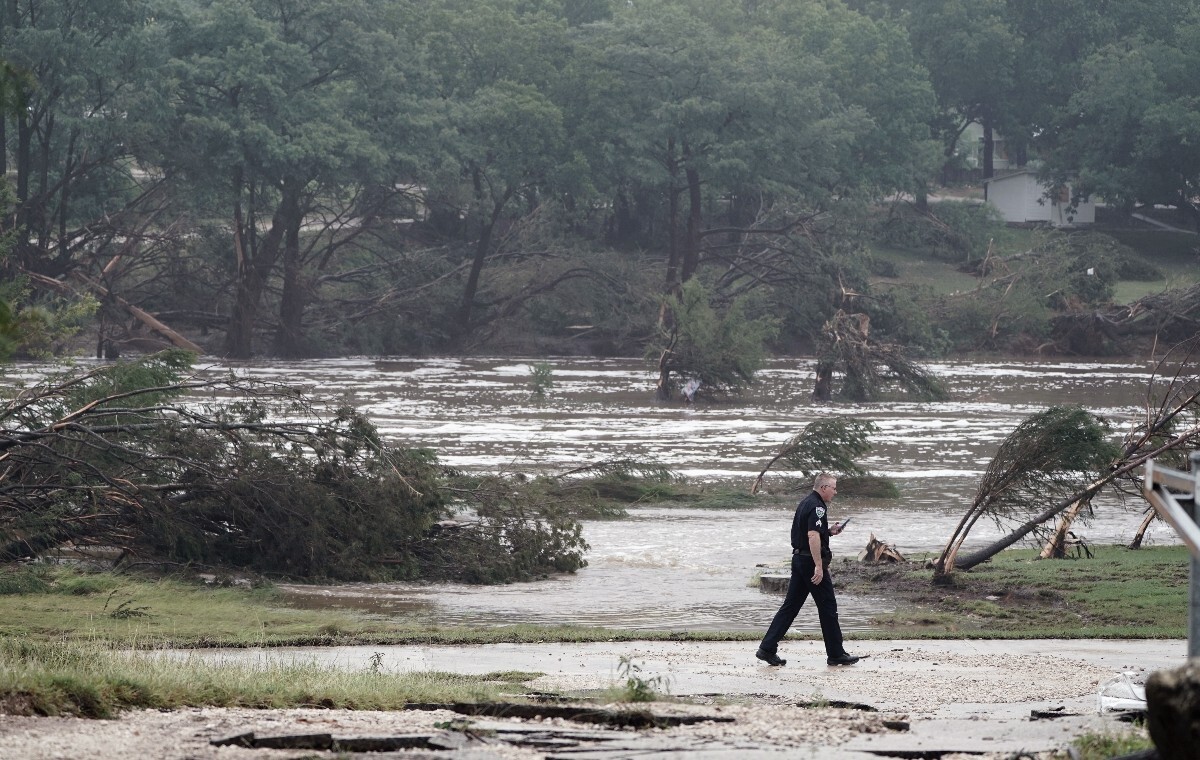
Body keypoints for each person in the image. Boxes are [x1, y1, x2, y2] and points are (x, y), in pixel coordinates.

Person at [756, 472, 861, 667]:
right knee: (828, 606)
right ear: (823, 488)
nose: (835, 492)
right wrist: (819, 567)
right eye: (833, 488)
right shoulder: (818, 507)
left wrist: (829, 531)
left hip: (799, 559)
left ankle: (767, 648)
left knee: (790, 607)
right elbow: (812, 536)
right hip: (810, 563)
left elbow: (812, 533)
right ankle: (836, 653)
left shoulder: (806, 502)